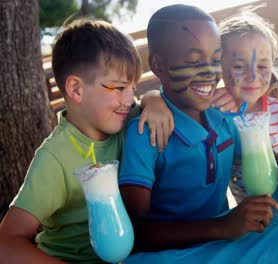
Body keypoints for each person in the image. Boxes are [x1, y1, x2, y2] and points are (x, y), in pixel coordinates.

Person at [118, 4, 278, 252]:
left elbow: (264, 160)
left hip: (221, 249)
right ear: (158, 66)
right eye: (193, 60)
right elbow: (134, 232)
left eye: (216, 59)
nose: (210, 72)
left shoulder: (223, 119)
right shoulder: (147, 132)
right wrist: (221, 226)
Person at [0, 18, 160, 263]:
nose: (129, 99)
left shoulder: (129, 121)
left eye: (133, 88)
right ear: (76, 89)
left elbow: (152, 103)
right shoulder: (55, 158)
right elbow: (6, 243)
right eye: (119, 88)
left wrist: (153, 98)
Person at [139, 9, 278, 203]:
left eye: (261, 67)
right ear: (219, 64)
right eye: (238, 67)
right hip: (254, 223)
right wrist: (152, 98)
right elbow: (176, 100)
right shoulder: (214, 116)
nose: (252, 77)